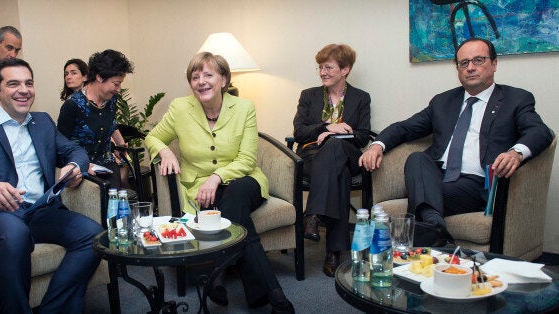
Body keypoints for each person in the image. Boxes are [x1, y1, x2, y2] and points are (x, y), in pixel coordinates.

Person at [0, 58, 103, 313]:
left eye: (28, 83)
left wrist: (74, 166)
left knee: (94, 235)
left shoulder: (43, 121)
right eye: (13, 83)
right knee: (15, 235)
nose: (23, 90)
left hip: (40, 210)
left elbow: (74, 149)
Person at [359, 38, 553, 245]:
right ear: (458, 69)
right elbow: (405, 128)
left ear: (494, 64)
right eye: (464, 63)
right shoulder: (443, 101)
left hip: (476, 184)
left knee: (424, 193)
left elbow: (540, 131)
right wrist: (376, 145)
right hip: (436, 177)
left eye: (478, 60)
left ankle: (430, 229)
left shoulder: (515, 99)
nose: (470, 68)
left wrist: (516, 153)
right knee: (417, 159)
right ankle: (436, 228)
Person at [145, 52, 295, 313]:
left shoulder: (244, 107)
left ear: (224, 80)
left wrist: (216, 177)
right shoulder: (180, 108)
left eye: (208, 75)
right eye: (195, 76)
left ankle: (217, 273)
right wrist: (165, 151)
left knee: (235, 194)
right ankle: (273, 296)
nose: (201, 81)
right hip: (201, 189)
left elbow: (247, 159)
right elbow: (152, 137)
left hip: (244, 180)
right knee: (236, 214)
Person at [293, 43, 371, 277]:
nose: (323, 72)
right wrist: (326, 127)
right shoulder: (309, 95)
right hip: (312, 155)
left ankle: (313, 215)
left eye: (328, 67)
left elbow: (363, 136)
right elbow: (299, 132)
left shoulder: (361, 98)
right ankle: (333, 253)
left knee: (336, 147)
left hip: (347, 153)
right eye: (320, 67)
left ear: (345, 69)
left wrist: (338, 134)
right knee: (340, 175)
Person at [57, 50, 133, 188]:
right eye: (116, 84)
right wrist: (82, 164)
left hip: (108, 167)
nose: (119, 89)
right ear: (99, 77)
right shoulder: (73, 105)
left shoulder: (111, 99)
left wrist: (120, 145)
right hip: (84, 174)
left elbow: (110, 122)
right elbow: (60, 146)